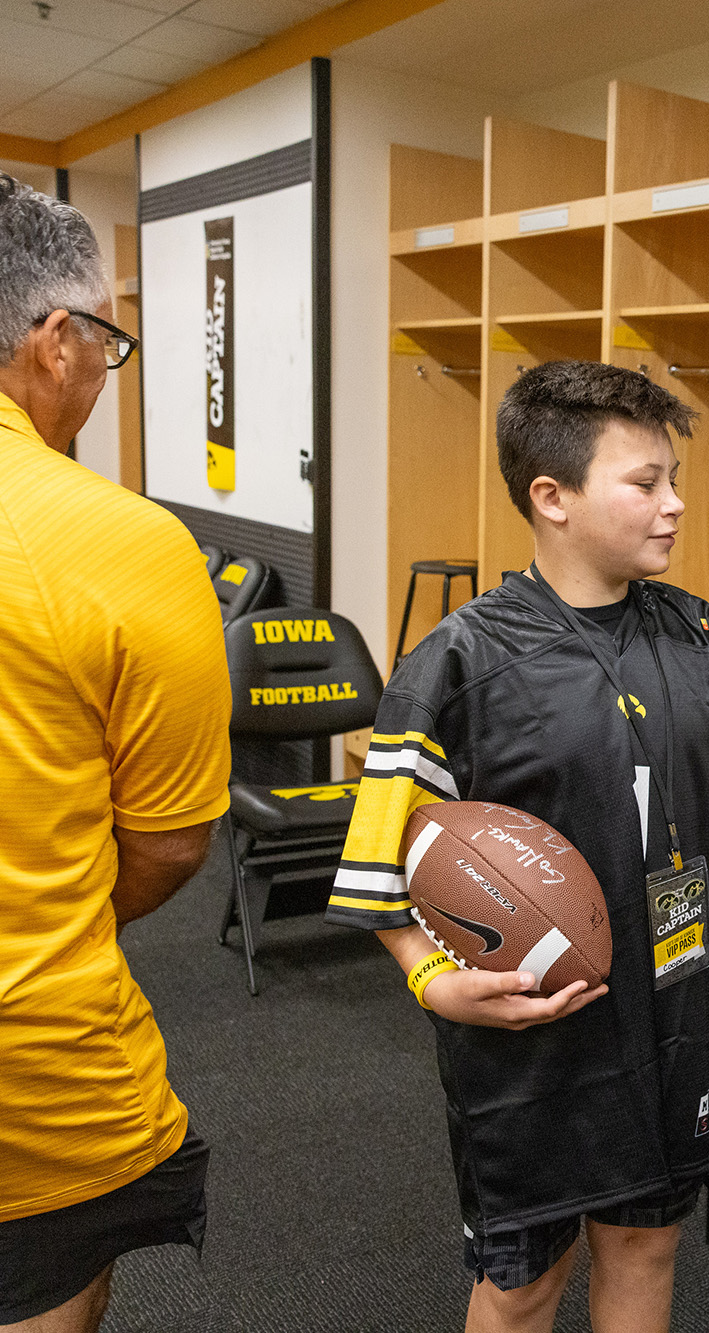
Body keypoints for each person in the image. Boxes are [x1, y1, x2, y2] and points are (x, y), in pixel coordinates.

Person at [326, 360, 709, 1333]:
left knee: (644, 1249)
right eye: (644, 483)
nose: (674, 505)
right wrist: (431, 979)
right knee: (525, 1285)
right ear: (550, 497)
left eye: (672, 479)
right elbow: (380, 857)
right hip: (529, 1042)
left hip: (674, 1024)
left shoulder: (706, 641)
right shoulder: (460, 660)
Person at [0, 175, 231, 1331]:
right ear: (56, 343)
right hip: (32, 1092)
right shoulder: (128, 544)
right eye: (109, 338)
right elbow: (170, 844)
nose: (104, 365)